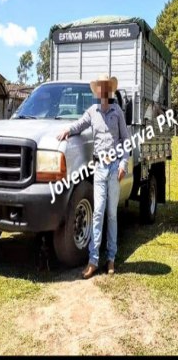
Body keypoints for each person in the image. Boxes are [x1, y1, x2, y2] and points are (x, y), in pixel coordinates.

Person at [56, 73, 131, 279]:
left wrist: (123, 164)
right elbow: (79, 124)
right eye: (101, 87)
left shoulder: (117, 112)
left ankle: (112, 259)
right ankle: (93, 261)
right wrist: (67, 131)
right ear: (97, 91)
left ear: (110, 90)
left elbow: (126, 140)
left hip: (114, 168)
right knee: (97, 213)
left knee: (112, 215)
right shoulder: (92, 112)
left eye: (106, 87)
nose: (103, 91)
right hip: (99, 169)